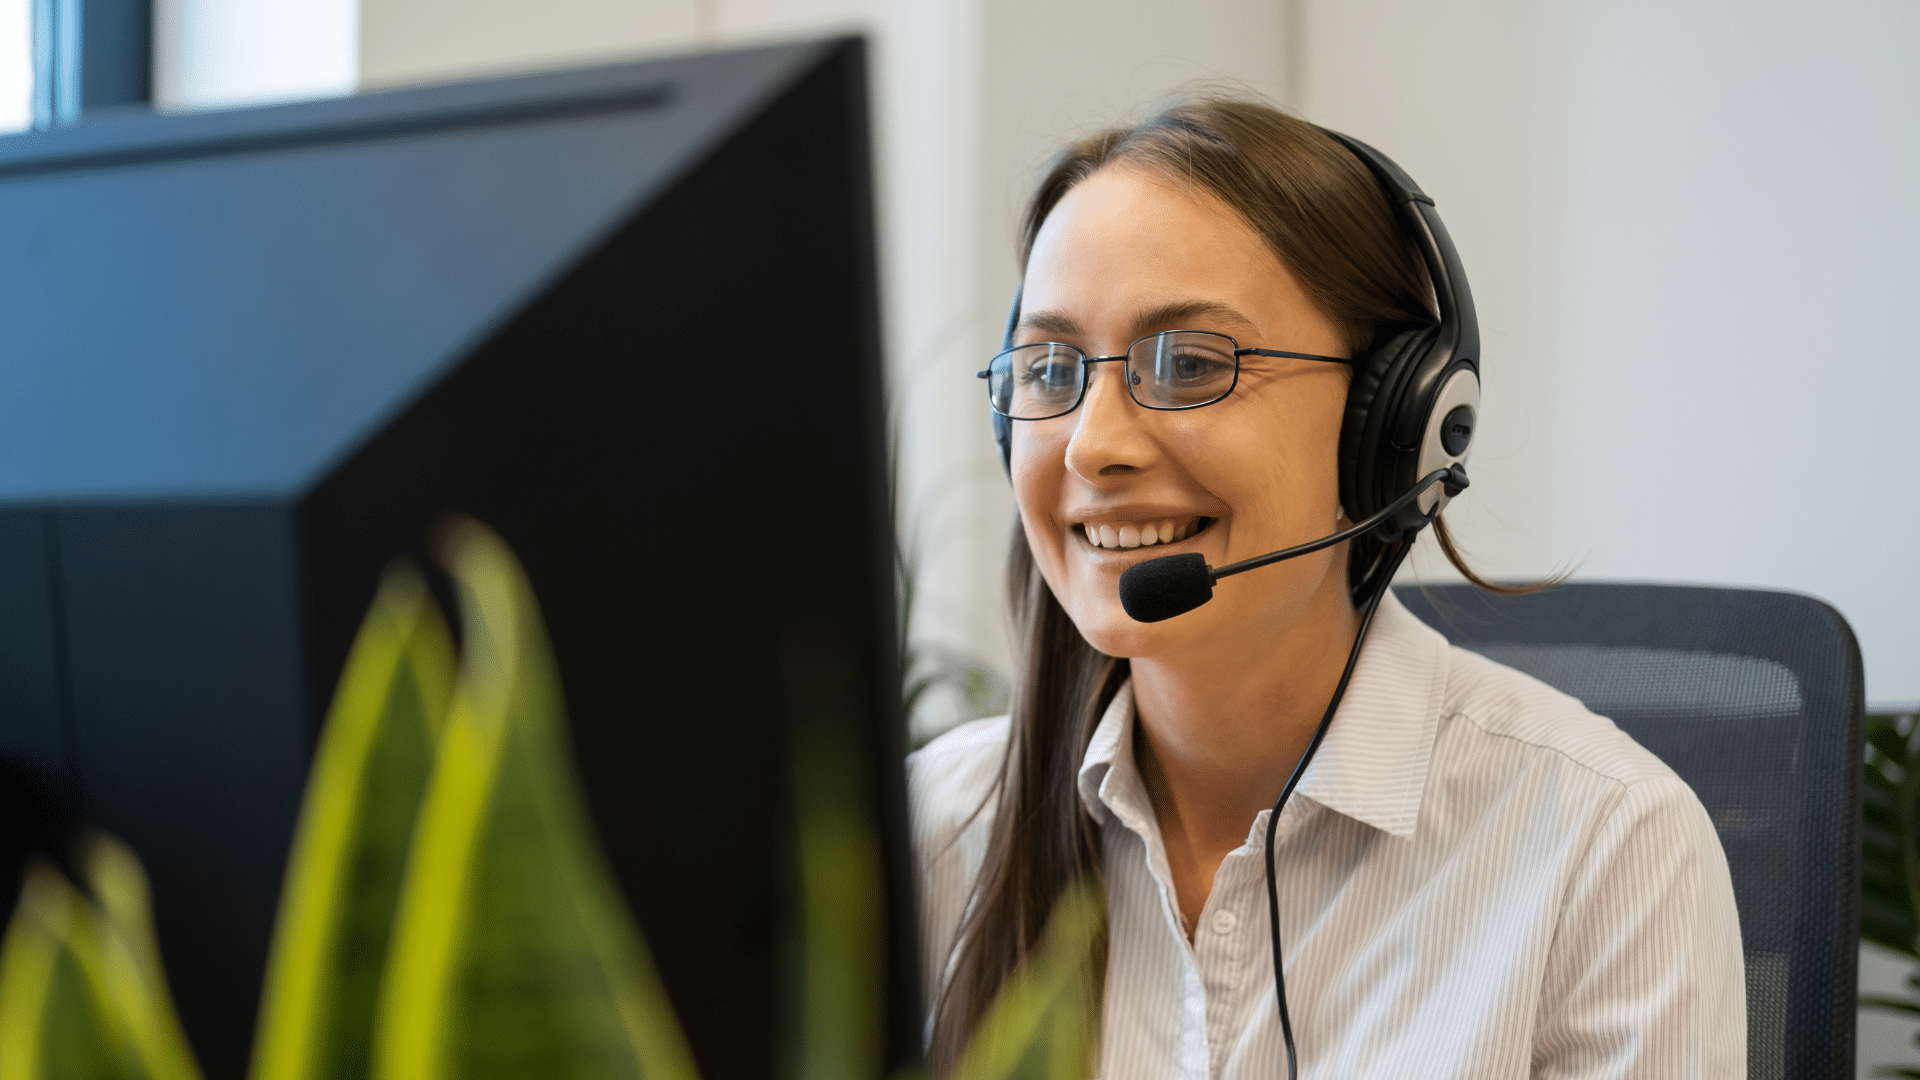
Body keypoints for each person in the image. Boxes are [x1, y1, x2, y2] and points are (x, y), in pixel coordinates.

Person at [908, 98, 1745, 1079]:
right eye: (1050, 368)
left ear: (1396, 420)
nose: (1094, 445)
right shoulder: (936, 832)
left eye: (1187, 364)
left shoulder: (1604, 851)